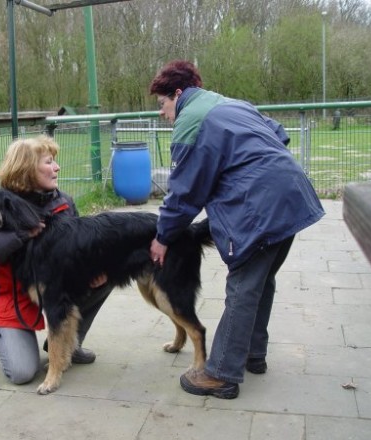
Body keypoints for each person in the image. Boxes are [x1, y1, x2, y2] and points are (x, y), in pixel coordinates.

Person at [148, 60, 324, 399]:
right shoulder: (232, 103)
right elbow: (278, 133)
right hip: (293, 195)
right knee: (262, 279)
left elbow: (184, 192)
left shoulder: (191, 120)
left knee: (242, 285)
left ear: (179, 94)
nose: (162, 112)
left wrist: (162, 237)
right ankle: (252, 354)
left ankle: (220, 373)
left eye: (163, 103)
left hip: (260, 209)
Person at [0, 135, 113, 385]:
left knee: (106, 277)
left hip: (52, 287)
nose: (57, 167)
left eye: (55, 161)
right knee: (22, 373)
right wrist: (19, 234)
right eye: (49, 162)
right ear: (27, 170)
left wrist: (94, 270)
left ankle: (70, 344)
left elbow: (78, 247)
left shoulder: (62, 201)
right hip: (9, 300)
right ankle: (3, 335)